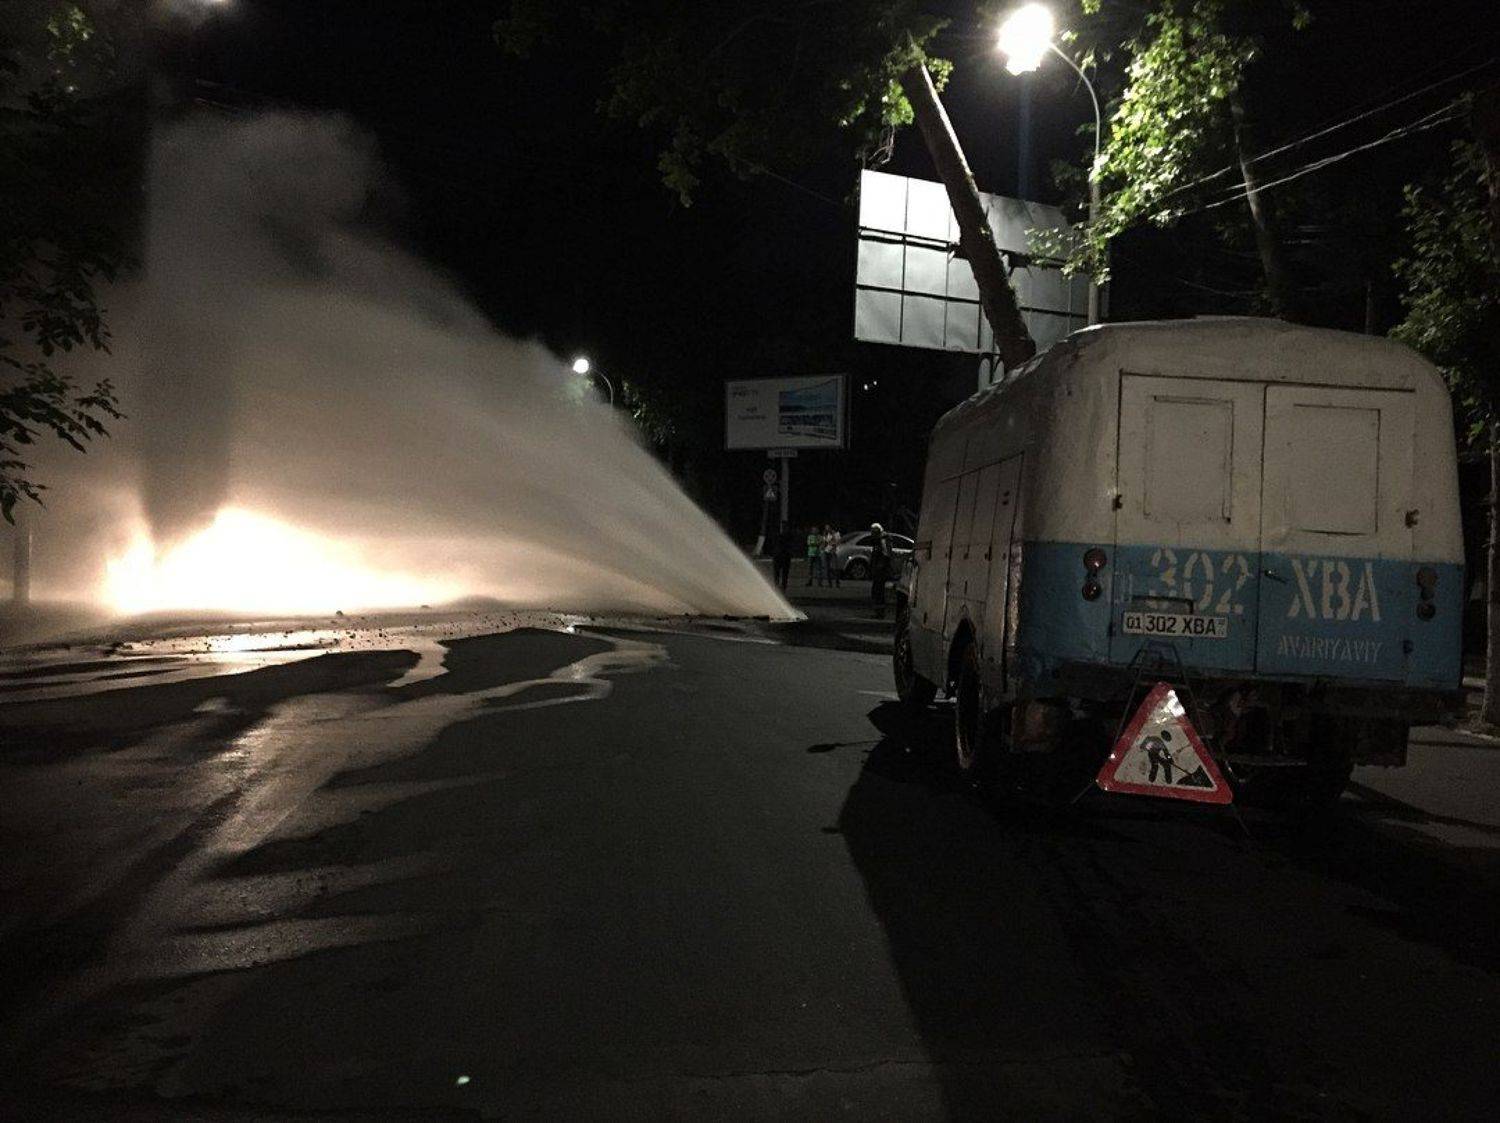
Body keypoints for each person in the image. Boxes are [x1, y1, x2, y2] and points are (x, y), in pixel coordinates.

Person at [868, 522, 892, 618]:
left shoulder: (883, 539)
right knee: (876, 591)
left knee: (878, 591)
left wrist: (879, 566)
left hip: (881, 571)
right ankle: (878, 611)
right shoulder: (878, 540)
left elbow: (886, 554)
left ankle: (880, 613)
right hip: (878, 570)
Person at [771, 522, 795, 590]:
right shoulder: (779, 535)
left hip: (783, 555)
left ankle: (781, 586)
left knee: (782, 572)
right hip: (780, 555)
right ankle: (779, 585)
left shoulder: (786, 535)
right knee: (779, 572)